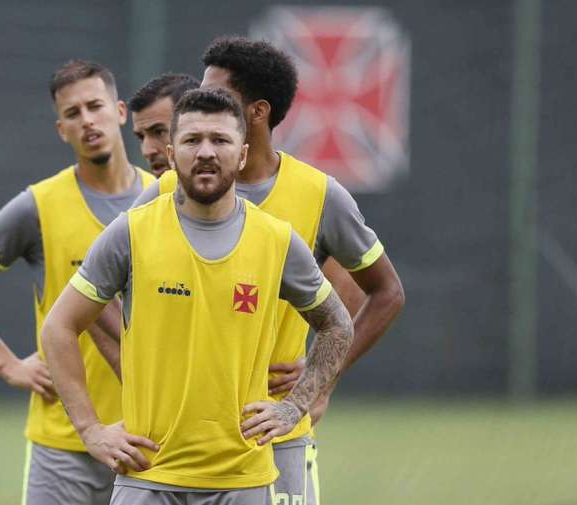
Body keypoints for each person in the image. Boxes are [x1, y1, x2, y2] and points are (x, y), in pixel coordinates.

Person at [42, 88, 355, 505]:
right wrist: (91, 429)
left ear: (242, 155)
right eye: (192, 141)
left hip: (244, 482)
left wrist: (294, 406)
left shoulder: (277, 240)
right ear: (172, 154)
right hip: (147, 477)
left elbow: (337, 324)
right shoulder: (130, 232)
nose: (206, 152)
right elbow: (59, 326)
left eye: (220, 140)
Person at [132, 36, 405, 505]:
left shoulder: (319, 195)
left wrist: (317, 384)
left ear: (257, 112)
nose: (202, 103)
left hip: (273, 441)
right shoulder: (167, 192)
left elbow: (385, 293)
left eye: (219, 95)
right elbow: (96, 296)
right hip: (177, 450)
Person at [0, 59, 155, 505]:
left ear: (120, 112)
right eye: (73, 114)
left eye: (94, 106)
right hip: (63, 444)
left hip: (147, 439)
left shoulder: (165, 199)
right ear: (61, 130)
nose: (87, 120)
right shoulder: (37, 206)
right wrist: (9, 365)